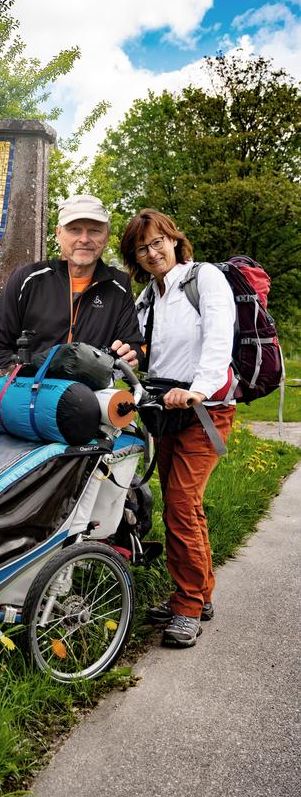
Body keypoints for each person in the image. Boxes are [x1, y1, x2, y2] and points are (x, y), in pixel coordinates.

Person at [120, 209, 236, 647]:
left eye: (157, 242)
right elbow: (141, 350)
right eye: (141, 248)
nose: (152, 253)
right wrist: (126, 358)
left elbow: (219, 338)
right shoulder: (149, 296)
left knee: (182, 505)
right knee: (181, 505)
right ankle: (199, 593)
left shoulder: (204, 278)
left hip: (205, 411)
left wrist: (198, 389)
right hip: (165, 413)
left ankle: (187, 607)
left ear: (173, 239)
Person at [0, 194, 142, 370]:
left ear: (106, 236)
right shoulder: (26, 278)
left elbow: (133, 345)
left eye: (95, 230)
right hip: (32, 392)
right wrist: (26, 377)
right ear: (58, 233)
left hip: (93, 394)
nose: (84, 239)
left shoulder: (119, 285)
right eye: (74, 229)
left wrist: (130, 354)